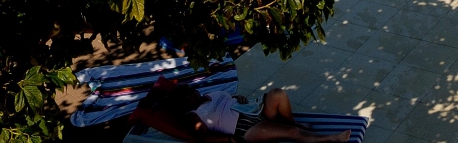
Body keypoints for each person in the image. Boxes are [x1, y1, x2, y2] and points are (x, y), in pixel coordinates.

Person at [146, 82, 351, 143]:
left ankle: (293, 121)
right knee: (292, 135)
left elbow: (232, 100)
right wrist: (228, 141)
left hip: (252, 110)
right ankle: (332, 138)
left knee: (278, 93)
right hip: (245, 127)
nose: (193, 90)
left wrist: (239, 99)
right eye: (189, 92)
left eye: (191, 88)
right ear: (185, 102)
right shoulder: (193, 115)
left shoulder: (210, 93)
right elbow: (202, 137)